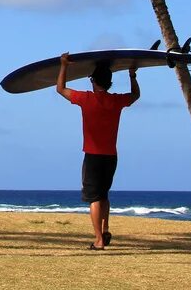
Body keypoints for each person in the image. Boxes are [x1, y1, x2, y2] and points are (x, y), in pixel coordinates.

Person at [56, 53, 139, 250]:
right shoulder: (116, 101)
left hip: (93, 156)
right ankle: (105, 229)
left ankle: (99, 240)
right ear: (109, 83)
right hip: (111, 156)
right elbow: (135, 96)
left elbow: (60, 89)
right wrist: (132, 75)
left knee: (94, 198)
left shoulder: (86, 99)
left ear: (93, 81)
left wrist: (63, 65)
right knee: (103, 195)